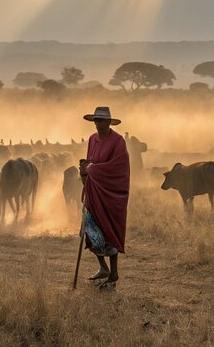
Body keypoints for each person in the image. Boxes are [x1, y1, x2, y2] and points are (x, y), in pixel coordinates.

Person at [79, 106, 130, 290]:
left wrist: (92, 169)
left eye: (101, 120)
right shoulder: (92, 139)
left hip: (111, 193)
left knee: (110, 232)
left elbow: (119, 167)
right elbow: (90, 161)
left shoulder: (118, 141)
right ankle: (103, 267)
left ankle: (114, 275)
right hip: (94, 191)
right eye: (96, 120)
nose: (98, 124)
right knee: (90, 229)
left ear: (109, 122)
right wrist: (84, 169)